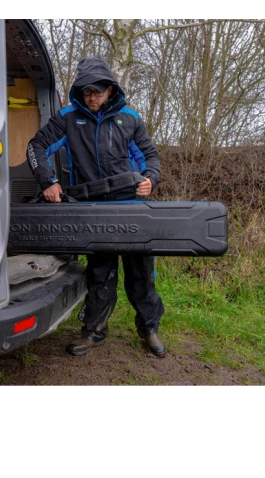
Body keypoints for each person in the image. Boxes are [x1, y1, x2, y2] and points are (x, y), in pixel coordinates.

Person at [26, 56, 166, 357]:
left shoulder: (130, 119)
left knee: (141, 274)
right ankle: (94, 331)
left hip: (131, 209)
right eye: (86, 91)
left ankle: (149, 328)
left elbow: (149, 157)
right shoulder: (67, 118)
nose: (91, 97)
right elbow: (36, 147)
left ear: (110, 90)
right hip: (92, 212)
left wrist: (151, 180)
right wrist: (49, 181)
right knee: (101, 275)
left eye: (97, 92)